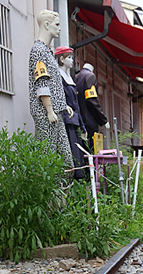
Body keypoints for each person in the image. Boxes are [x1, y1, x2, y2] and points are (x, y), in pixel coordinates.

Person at [28, 10, 73, 166]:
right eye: (57, 24)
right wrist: (49, 110)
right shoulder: (38, 51)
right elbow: (41, 82)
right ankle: (44, 190)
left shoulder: (47, 52)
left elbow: (52, 83)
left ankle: (58, 190)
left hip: (55, 111)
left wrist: (62, 104)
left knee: (66, 162)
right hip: (46, 114)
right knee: (46, 160)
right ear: (47, 25)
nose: (59, 28)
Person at [54, 46, 86, 178]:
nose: (72, 60)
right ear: (61, 59)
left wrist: (83, 126)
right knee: (70, 154)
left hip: (75, 120)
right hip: (66, 120)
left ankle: (77, 185)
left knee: (78, 154)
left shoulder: (70, 78)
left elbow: (76, 105)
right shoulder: (58, 77)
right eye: (69, 57)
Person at [74, 62, 108, 151]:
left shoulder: (77, 77)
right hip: (89, 120)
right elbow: (91, 99)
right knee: (92, 151)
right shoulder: (90, 76)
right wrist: (102, 119)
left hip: (79, 120)